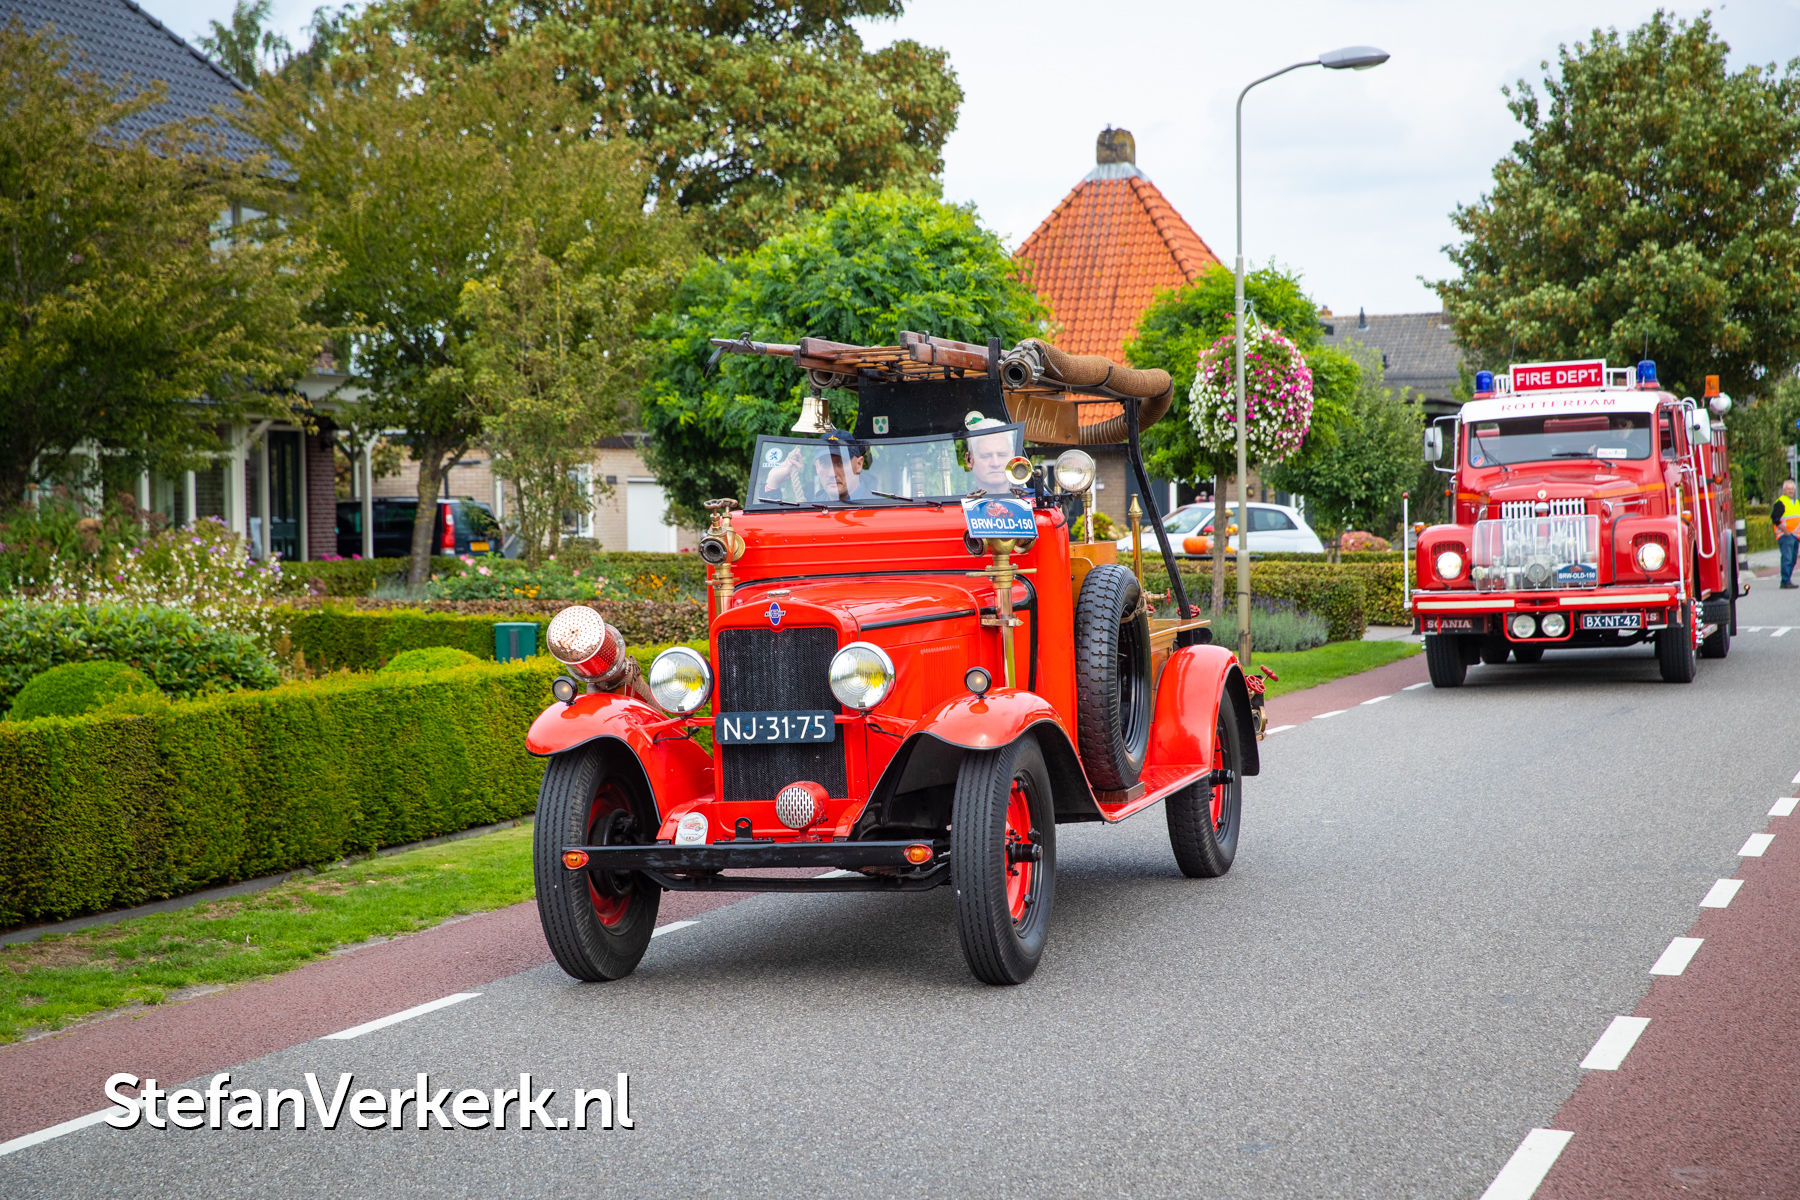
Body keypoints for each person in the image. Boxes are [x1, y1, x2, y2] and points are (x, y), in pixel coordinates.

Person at [761, 430, 872, 503]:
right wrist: (773, 482)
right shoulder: (811, 506)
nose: (831, 473)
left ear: (858, 465)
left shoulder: (881, 509)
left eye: (840, 463)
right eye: (824, 463)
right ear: (817, 467)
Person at [965, 418, 1017, 493]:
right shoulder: (955, 503)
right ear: (969, 460)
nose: (995, 464)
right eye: (985, 456)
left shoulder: (1035, 500)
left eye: (1002, 455)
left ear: (1013, 456)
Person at [1775, 479, 1800, 589]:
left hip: (1795, 536)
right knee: (1787, 558)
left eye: (1792, 489)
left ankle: (1787, 579)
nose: (1791, 491)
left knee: (1793, 559)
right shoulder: (1781, 502)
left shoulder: (1796, 503)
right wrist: (1785, 531)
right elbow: (1775, 519)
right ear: (1784, 490)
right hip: (1785, 536)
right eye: (1788, 489)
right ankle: (1785, 581)